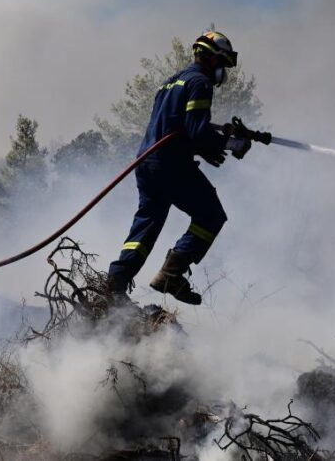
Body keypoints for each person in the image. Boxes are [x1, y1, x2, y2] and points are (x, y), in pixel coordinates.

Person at [105, 31, 251, 305]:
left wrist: (208, 148)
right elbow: (195, 131)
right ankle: (171, 273)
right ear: (213, 59)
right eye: (223, 64)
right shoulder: (201, 83)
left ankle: (115, 283)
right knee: (211, 216)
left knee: (147, 223)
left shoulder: (170, 83)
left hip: (147, 163)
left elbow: (178, 126)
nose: (223, 73)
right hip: (171, 165)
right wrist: (231, 144)